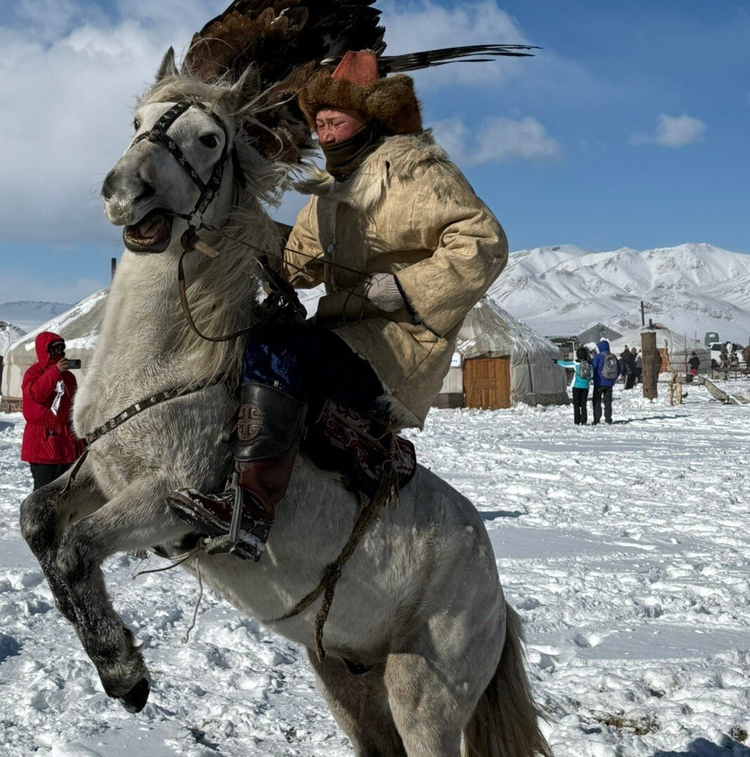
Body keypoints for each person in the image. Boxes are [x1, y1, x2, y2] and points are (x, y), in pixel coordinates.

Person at [167, 50, 508, 560]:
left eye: (334, 120)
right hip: (344, 334)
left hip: (398, 346)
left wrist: (408, 286)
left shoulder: (418, 171)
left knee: (281, 346)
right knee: (244, 340)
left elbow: (485, 242)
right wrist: (227, 235)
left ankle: (253, 511)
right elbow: (297, 262)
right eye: (319, 122)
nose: (324, 133)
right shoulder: (330, 191)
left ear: (369, 117)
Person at [21, 332, 83, 490]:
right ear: (45, 351)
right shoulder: (34, 373)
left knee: (66, 492)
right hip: (43, 442)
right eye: (55, 349)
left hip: (66, 443)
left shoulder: (68, 377)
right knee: (44, 492)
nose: (60, 353)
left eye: (62, 349)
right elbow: (36, 394)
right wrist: (54, 372)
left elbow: (72, 406)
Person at [557, 346, 592, 425]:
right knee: (583, 404)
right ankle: (584, 420)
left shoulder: (575, 364)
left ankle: (577, 420)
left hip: (576, 386)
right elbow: (592, 375)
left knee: (576, 404)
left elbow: (565, 364)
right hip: (585, 386)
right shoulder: (589, 365)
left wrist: (557, 361)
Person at [591, 339, 622, 424]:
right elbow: (619, 369)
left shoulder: (598, 357)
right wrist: (613, 379)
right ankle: (608, 418)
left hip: (599, 383)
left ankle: (597, 419)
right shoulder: (613, 357)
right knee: (608, 401)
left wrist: (592, 378)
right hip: (609, 383)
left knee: (597, 401)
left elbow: (593, 368)